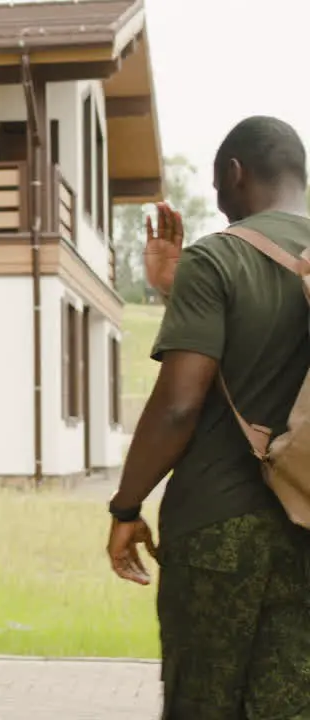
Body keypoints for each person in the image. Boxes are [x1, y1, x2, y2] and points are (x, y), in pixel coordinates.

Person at [107, 115, 310, 718]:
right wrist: (176, 290)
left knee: (203, 705)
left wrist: (125, 506)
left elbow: (178, 404)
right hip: (306, 529)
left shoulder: (218, 259)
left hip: (217, 527)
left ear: (233, 173)